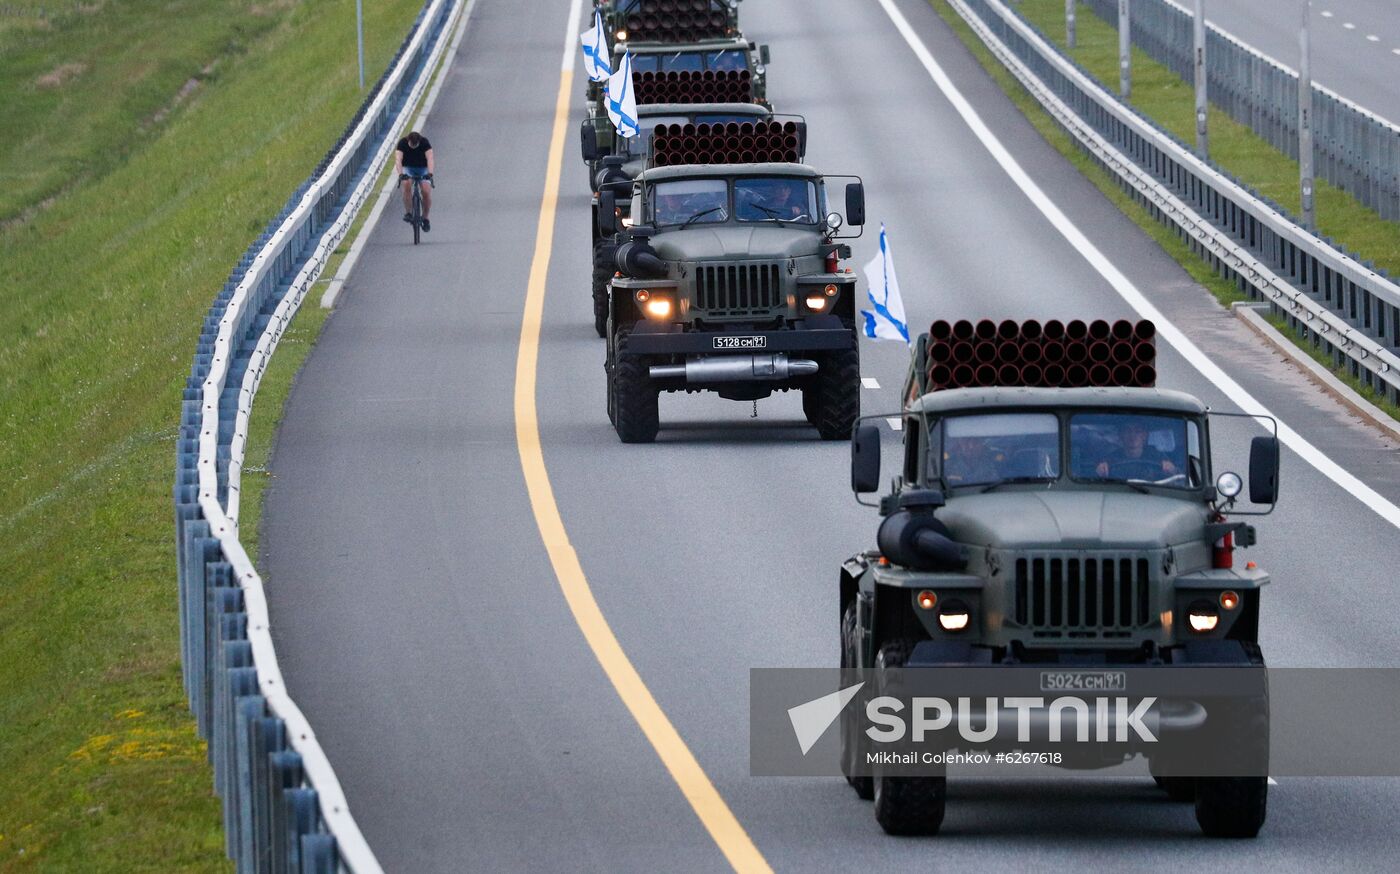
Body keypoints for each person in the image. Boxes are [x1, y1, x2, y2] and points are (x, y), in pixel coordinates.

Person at [1095, 420, 1178, 478]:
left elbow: (1178, 477)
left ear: (1144, 435)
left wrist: (1172, 470)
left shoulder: (1157, 456)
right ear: (1121, 435)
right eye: (1127, 430)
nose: (1132, 435)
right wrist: (1101, 470)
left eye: (1137, 431)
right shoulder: (1111, 458)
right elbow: (1096, 477)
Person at [394, 130, 434, 232]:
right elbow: (398, 160)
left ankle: (425, 218)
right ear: (408, 141)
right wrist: (401, 174)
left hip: (423, 168)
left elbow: (430, 158)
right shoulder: (402, 143)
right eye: (412, 144)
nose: (413, 146)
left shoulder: (425, 142)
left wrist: (430, 174)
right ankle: (408, 212)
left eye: (415, 145)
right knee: (406, 184)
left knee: (426, 191)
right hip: (408, 168)